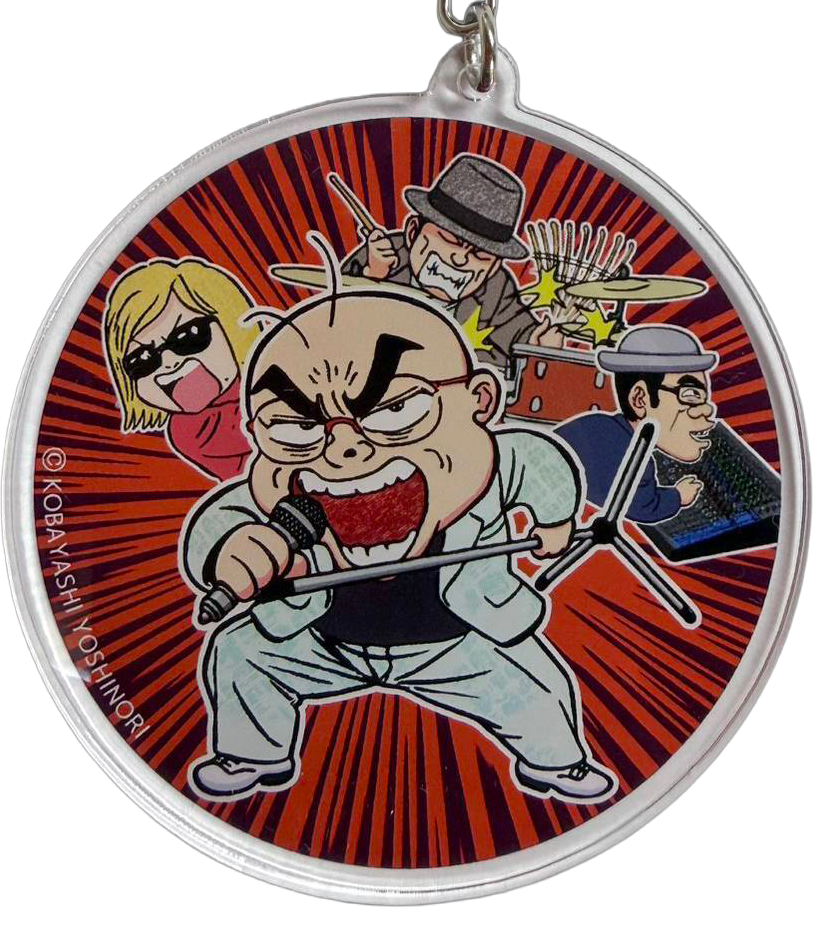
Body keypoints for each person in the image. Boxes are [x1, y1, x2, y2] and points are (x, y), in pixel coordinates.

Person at [181, 275, 617, 804]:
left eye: (395, 408)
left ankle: (561, 763)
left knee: (539, 687)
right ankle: (251, 754)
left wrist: (554, 520)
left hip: (459, 645)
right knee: (239, 652)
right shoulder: (282, 498)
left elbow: (541, 460)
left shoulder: (499, 463)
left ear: (479, 401)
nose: (343, 448)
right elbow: (220, 517)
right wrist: (230, 549)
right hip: (324, 644)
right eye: (295, 426)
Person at [341, 154, 570, 370]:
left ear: (493, 268)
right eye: (450, 240)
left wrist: (538, 347)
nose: (460, 259)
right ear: (413, 232)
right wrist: (373, 279)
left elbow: (520, 334)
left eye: (480, 255)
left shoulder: (496, 291)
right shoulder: (380, 257)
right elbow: (333, 323)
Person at [103, 257, 258, 482]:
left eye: (187, 337)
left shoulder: (267, 374)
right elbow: (261, 425)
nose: (170, 362)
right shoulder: (189, 431)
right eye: (143, 360)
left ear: (230, 324)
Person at [554, 325, 717, 524]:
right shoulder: (629, 455)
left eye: (704, 398)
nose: (707, 410)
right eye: (690, 395)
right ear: (640, 399)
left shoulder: (601, 426)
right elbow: (643, 508)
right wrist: (678, 497)